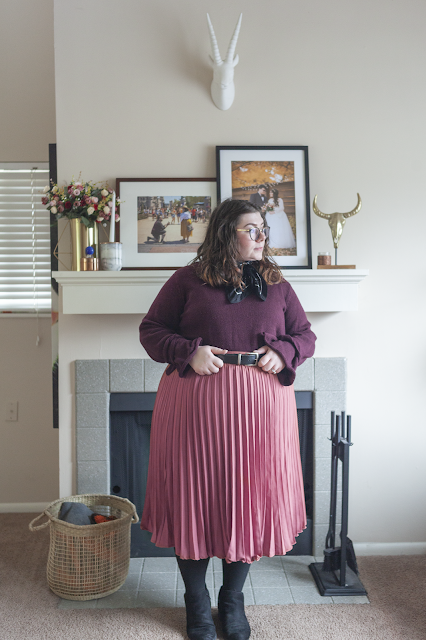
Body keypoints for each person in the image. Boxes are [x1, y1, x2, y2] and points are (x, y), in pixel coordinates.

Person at [139, 199, 316, 640]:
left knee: (246, 501)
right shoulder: (187, 280)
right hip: (196, 403)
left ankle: (232, 600)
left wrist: (284, 351)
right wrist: (189, 351)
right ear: (225, 233)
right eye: (251, 229)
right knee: (194, 500)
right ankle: (196, 601)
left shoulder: (276, 283)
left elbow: (305, 334)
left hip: (261, 406)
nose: (261, 237)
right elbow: (152, 329)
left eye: (263, 230)